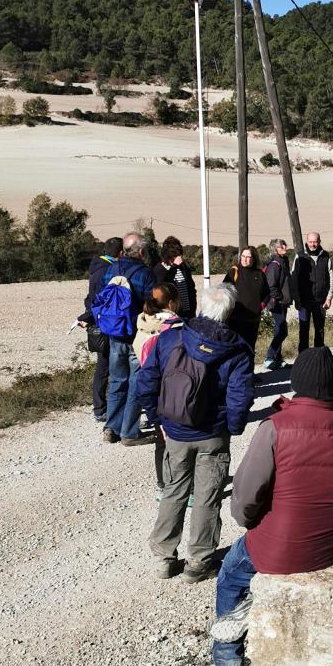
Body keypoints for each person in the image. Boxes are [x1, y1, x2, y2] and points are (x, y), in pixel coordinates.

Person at [194, 347, 333, 666]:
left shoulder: (275, 427)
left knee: (231, 572)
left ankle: (225, 663)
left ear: (295, 381)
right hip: (329, 547)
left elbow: (243, 499)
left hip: (276, 549)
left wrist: (251, 523)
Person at [137, 284, 255, 584]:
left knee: (174, 490)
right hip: (213, 433)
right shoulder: (237, 348)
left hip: (175, 430)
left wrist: (156, 418)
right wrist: (233, 427)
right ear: (228, 312)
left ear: (200, 306)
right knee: (207, 497)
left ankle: (164, 557)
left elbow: (147, 380)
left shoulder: (170, 337)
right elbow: (240, 396)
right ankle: (198, 563)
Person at [99, 232, 157, 445]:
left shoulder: (110, 270)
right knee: (135, 382)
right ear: (141, 251)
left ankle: (111, 428)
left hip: (114, 333)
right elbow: (152, 304)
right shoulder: (145, 274)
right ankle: (129, 433)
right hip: (136, 335)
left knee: (116, 380)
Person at [133, 284, 183, 501]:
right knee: (180, 442)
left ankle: (162, 486)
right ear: (171, 303)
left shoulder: (144, 323)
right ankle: (183, 488)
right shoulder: (174, 326)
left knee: (160, 438)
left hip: (152, 388)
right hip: (173, 390)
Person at [77, 236, 122, 422]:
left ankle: (101, 407)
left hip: (99, 321)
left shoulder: (97, 266)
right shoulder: (107, 271)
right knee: (106, 367)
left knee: (104, 367)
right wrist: (86, 316)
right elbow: (97, 299)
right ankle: (101, 409)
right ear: (120, 254)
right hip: (106, 324)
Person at [292, 232, 333, 352]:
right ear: (307, 241)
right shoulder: (299, 256)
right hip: (304, 302)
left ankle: (319, 356)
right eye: (310, 242)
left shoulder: (326, 256)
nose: (313, 244)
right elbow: (294, 279)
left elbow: (331, 278)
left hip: (321, 301)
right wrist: (297, 299)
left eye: (315, 242)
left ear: (319, 241)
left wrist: (329, 297)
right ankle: (303, 358)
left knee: (320, 329)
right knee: (303, 329)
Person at [224, 247, 270, 354]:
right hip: (235, 320)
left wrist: (262, 305)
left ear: (254, 259)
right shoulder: (233, 272)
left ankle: (249, 370)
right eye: (243, 256)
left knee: (250, 349)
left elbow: (267, 293)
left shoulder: (260, 274)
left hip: (253, 320)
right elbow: (224, 291)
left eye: (248, 257)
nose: (245, 259)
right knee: (235, 349)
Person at [263, 238, 292, 370]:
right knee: (282, 331)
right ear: (275, 249)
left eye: (284, 245)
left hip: (282, 302)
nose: (285, 247)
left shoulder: (283, 261)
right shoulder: (275, 265)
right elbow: (271, 285)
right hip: (276, 303)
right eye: (282, 246)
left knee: (278, 330)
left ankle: (278, 359)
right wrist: (279, 297)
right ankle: (269, 358)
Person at [153, 236, 197, 319]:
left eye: (179, 255)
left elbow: (191, 288)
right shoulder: (159, 270)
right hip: (170, 315)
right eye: (175, 256)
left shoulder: (183, 267)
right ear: (167, 257)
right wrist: (174, 266)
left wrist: (192, 310)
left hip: (187, 314)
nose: (179, 258)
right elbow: (163, 287)